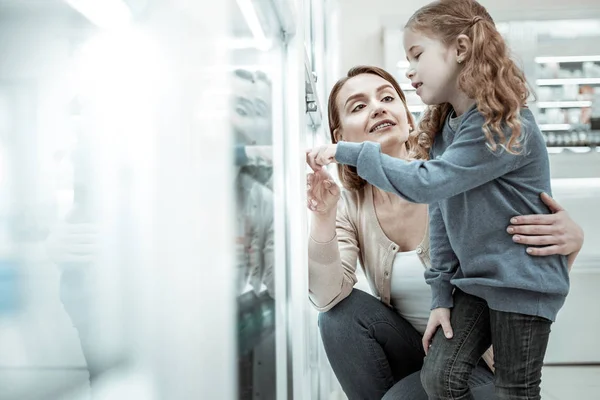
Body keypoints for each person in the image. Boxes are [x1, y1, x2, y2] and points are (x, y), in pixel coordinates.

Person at [307, 0, 580, 398]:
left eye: (387, 97)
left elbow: (435, 187)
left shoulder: (449, 165)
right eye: (359, 105)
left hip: (476, 360)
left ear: (407, 114)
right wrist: (322, 218)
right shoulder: (356, 202)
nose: (378, 108)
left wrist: (574, 239)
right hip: (419, 349)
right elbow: (327, 295)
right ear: (339, 136)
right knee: (338, 318)